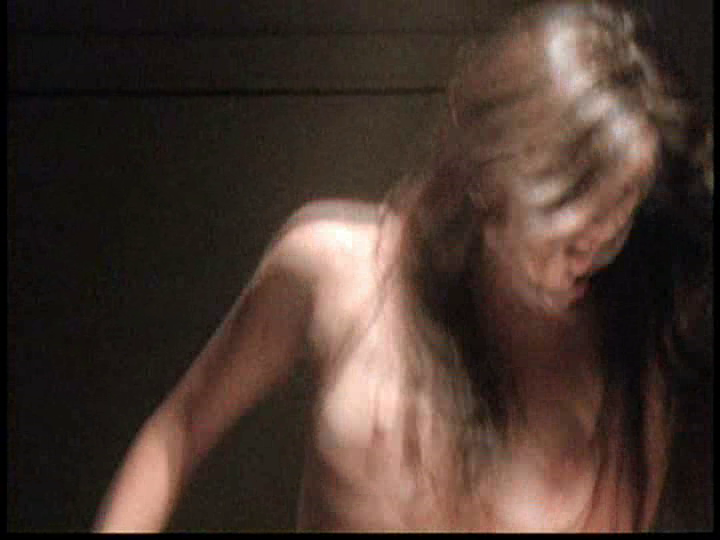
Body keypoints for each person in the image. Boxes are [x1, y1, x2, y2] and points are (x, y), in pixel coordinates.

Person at [93, 0, 713, 532]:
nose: (598, 247)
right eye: (571, 213)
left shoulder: (629, 360)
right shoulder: (336, 267)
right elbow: (176, 433)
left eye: (621, 211)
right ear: (494, 171)